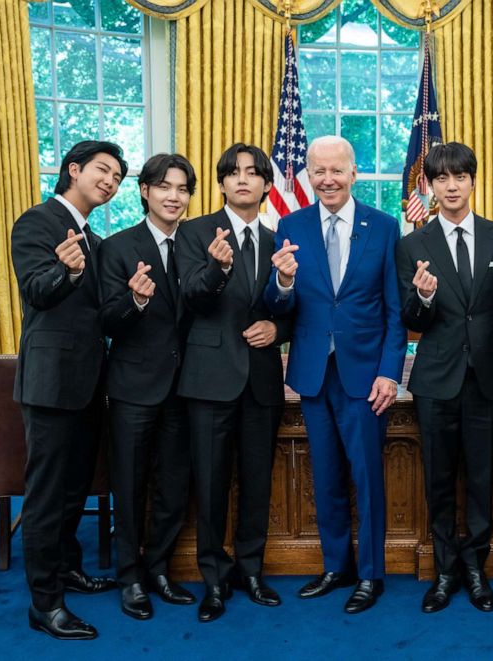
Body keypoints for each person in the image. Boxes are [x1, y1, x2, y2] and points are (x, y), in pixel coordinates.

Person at [265, 135, 406, 614]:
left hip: (366, 378)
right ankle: (335, 566)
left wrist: (390, 373)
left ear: (353, 173)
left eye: (336, 170)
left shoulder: (384, 227)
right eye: (317, 171)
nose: (327, 179)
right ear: (308, 174)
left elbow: (394, 310)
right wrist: (282, 281)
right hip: (311, 372)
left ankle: (370, 575)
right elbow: (280, 303)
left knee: (366, 477)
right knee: (324, 475)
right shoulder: (290, 223)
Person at [11, 140, 127, 640]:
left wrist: (136, 301)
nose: (110, 181)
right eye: (103, 170)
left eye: (118, 177)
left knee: (74, 490)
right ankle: (45, 603)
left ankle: (67, 569)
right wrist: (69, 270)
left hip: (88, 384)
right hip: (51, 383)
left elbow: (101, 314)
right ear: (73, 170)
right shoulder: (36, 222)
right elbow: (38, 290)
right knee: (47, 495)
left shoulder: (96, 240)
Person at [396, 142, 493, 614]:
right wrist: (423, 299)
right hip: (436, 380)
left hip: (487, 378)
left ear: (472, 180)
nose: (451, 186)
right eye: (441, 178)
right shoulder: (412, 246)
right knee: (440, 479)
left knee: (483, 478)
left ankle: (476, 567)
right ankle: (446, 569)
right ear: (430, 185)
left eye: (460, 177)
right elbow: (410, 319)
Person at [175, 143, 293, 622]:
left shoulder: (276, 238)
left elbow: (291, 311)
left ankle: (250, 571)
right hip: (209, 382)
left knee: (257, 483)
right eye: (233, 173)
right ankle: (213, 579)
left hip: (262, 382)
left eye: (253, 173)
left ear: (266, 185)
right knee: (211, 483)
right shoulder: (195, 233)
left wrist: (277, 323)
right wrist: (218, 269)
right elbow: (191, 298)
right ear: (222, 183)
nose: (243, 180)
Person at [98, 153, 198, 620]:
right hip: (134, 387)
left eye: (181, 189)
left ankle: (159, 568)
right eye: (164, 187)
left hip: (187, 389)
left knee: (174, 485)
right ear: (145, 191)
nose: (173, 196)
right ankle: (130, 577)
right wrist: (136, 301)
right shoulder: (117, 248)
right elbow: (107, 320)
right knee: (131, 485)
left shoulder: (198, 245)